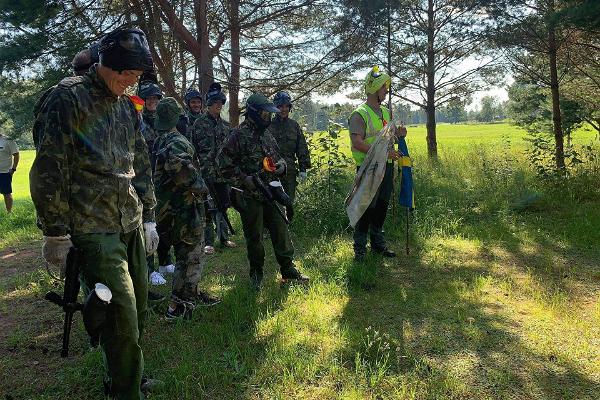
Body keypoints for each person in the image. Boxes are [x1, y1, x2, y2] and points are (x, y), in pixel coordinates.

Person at [30, 28, 160, 399]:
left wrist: (149, 216)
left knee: (138, 311)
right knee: (120, 315)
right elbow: (50, 167)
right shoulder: (67, 99)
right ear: (106, 64)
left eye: (136, 77)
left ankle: (125, 377)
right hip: (92, 227)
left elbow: (141, 160)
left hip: (129, 221)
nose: (131, 82)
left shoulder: (126, 105)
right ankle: (125, 392)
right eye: (125, 74)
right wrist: (55, 232)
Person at [216, 93, 309, 288]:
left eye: (269, 114)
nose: (268, 117)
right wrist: (244, 179)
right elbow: (222, 165)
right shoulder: (237, 135)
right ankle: (256, 275)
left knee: (281, 231)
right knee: (255, 237)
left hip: (271, 192)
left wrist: (282, 167)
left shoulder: (266, 134)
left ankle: (288, 270)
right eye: (265, 114)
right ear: (254, 114)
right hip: (250, 196)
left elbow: (277, 158)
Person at [152, 97, 220, 319]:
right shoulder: (176, 141)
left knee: (186, 254)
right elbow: (182, 172)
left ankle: (190, 294)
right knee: (190, 256)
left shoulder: (159, 140)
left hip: (169, 208)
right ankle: (179, 306)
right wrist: (204, 190)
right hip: (183, 208)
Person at [348, 66, 407, 261]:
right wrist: (383, 153)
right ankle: (360, 248)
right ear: (373, 88)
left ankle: (377, 243)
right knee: (366, 206)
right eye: (384, 87)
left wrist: (398, 133)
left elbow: (388, 136)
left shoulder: (385, 112)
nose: (386, 91)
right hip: (369, 168)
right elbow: (357, 142)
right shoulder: (360, 114)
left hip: (387, 167)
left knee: (382, 205)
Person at [137, 80, 175, 288]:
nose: (152, 101)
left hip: (162, 180)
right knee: (147, 225)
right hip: (144, 181)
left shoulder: (163, 121)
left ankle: (165, 261)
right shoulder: (137, 120)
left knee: (164, 223)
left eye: (155, 98)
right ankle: (149, 269)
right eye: (149, 98)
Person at [191, 82, 236, 254]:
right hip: (205, 174)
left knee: (223, 205)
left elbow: (231, 152)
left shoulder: (226, 127)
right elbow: (193, 151)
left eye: (221, 102)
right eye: (216, 102)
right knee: (207, 208)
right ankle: (208, 242)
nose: (219, 105)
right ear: (209, 104)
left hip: (222, 175)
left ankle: (224, 238)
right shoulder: (198, 125)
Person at [267, 91, 311, 221]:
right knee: (272, 200)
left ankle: (288, 226)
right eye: (280, 106)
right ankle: (271, 228)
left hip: (290, 171)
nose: (284, 109)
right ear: (275, 107)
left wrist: (303, 168)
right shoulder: (268, 125)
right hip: (271, 169)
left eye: (286, 106)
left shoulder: (294, 126)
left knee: (289, 200)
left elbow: (301, 147)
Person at [0, 131, 19, 213]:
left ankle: (9, 212)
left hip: (4, 172)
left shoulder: (8, 140)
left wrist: (13, 169)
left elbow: (16, 155)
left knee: (6, 193)